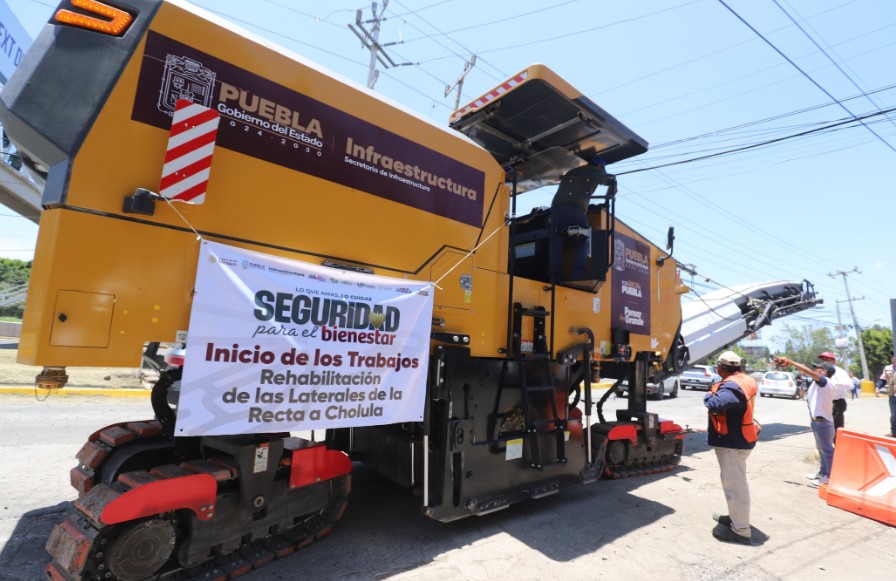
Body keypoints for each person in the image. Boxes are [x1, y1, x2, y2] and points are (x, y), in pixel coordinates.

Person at [704, 350, 759, 545]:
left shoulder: (731, 387)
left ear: (721, 368)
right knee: (734, 482)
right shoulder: (745, 380)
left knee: (734, 485)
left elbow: (718, 403)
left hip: (733, 443)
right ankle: (736, 517)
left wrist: (709, 396)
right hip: (742, 438)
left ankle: (741, 530)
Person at [775, 355, 837, 486]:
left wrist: (791, 361)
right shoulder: (820, 384)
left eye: (818, 368)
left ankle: (829, 476)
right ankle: (822, 474)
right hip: (819, 421)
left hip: (822, 422)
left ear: (824, 372)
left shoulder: (825, 381)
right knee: (821, 450)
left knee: (826, 450)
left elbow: (807, 371)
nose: (815, 370)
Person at [551, 158, 616, 281]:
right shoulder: (594, 170)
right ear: (600, 166)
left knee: (557, 240)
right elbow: (609, 179)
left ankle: (554, 276)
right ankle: (578, 276)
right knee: (584, 238)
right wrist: (611, 192)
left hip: (556, 210)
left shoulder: (574, 171)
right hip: (575, 210)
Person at [817, 352, 850, 435]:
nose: (824, 362)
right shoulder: (820, 372)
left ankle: (837, 445)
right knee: (823, 426)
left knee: (836, 427)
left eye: (826, 360)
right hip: (823, 402)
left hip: (836, 403)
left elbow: (850, 384)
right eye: (822, 360)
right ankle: (823, 446)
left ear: (833, 361)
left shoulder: (840, 372)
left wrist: (832, 384)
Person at [878, 355, 896, 437]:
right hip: (892, 395)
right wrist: (877, 388)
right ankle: (894, 432)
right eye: (893, 358)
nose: (894, 360)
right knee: (894, 415)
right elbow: (883, 380)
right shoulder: (887, 368)